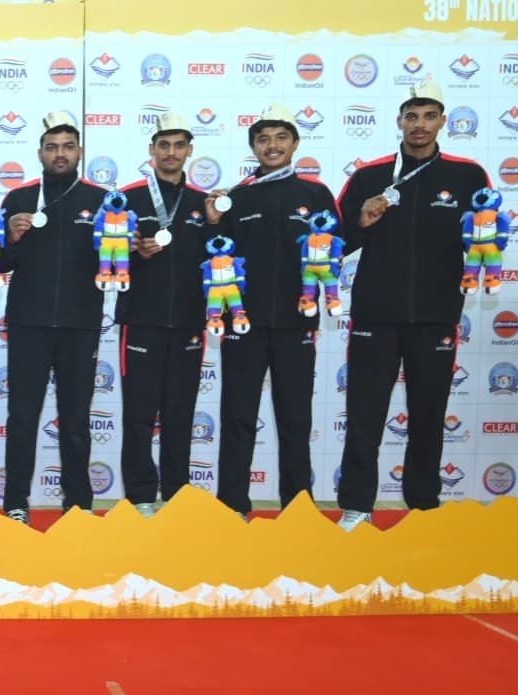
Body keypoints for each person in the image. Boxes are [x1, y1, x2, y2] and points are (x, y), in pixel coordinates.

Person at [333, 79, 491, 530]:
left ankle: (422, 507)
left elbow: (484, 236)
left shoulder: (468, 175)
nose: (419, 124)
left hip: (436, 316)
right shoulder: (369, 176)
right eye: (412, 116)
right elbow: (335, 242)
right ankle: (357, 506)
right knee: (364, 415)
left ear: (442, 121)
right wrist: (362, 220)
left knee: (428, 414)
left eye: (429, 116)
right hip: (375, 315)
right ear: (399, 121)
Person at [202, 105, 338, 518]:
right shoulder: (237, 197)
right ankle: (232, 506)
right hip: (243, 324)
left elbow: (334, 248)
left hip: (297, 323)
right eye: (263, 139)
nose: (272, 146)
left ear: (295, 144)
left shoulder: (316, 195)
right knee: (238, 417)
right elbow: (218, 255)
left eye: (281, 138)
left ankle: (298, 508)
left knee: (295, 419)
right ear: (253, 147)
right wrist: (213, 222)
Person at [0, 112, 109, 523]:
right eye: (52, 147)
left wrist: (125, 247)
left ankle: (78, 505)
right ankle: (15, 503)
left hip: (81, 324)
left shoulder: (101, 200)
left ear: (79, 151)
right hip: (29, 324)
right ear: (40, 153)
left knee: (76, 420)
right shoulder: (19, 199)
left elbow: (115, 263)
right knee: (22, 418)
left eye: (67, 147)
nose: (60, 154)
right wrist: (11, 237)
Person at [115, 113, 212, 518]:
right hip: (141, 321)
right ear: (151, 150)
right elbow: (102, 257)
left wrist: (214, 225)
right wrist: (128, 252)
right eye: (163, 145)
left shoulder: (204, 204)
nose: (171, 153)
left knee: (179, 414)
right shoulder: (127, 198)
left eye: (178, 145)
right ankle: (140, 496)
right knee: (139, 415)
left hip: (189, 322)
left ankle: (176, 495)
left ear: (190, 150)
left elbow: (220, 255)